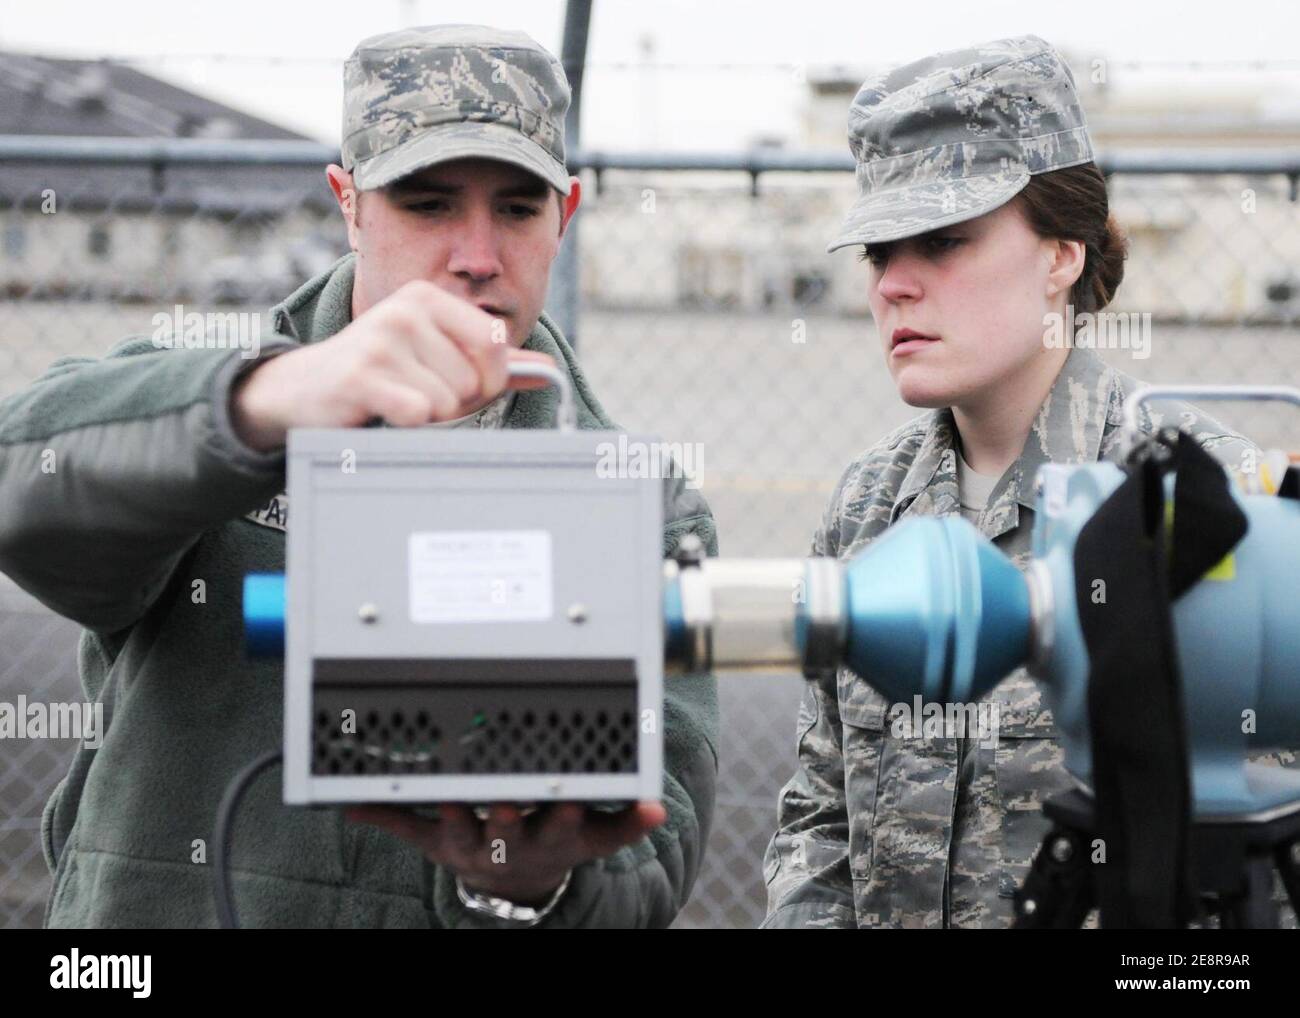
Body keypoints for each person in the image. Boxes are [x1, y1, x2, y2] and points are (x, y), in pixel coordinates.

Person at [1, 24, 718, 928]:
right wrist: (266, 405)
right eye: (428, 204)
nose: (478, 255)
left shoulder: (636, 504)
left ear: (564, 218)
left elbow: (650, 859)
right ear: (349, 205)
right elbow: (22, 479)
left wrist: (530, 877)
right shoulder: (215, 405)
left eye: (517, 209)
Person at [762, 34, 1295, 928]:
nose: (893, 285)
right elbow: (821, 817)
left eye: (943, 240)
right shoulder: (866, 508)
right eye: (879, 253)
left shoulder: (1209, 514)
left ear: (1063, 254)